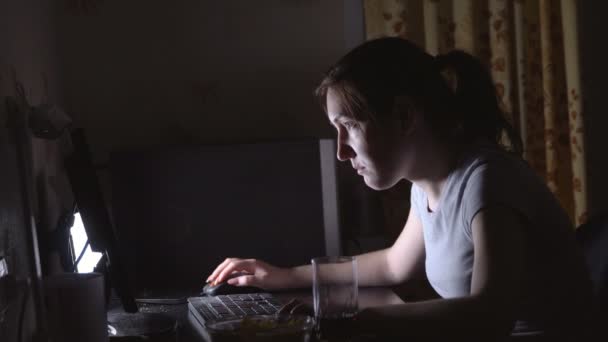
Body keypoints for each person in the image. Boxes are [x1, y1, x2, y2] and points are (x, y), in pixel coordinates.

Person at [206, 37, 595, 341]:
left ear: (406, 116)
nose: (341, 152)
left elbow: (489, 317)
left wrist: (353, 321)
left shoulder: (487, 180)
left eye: (350, 127)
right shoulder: (426, 184)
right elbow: (395, 264)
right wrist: (283, 275)